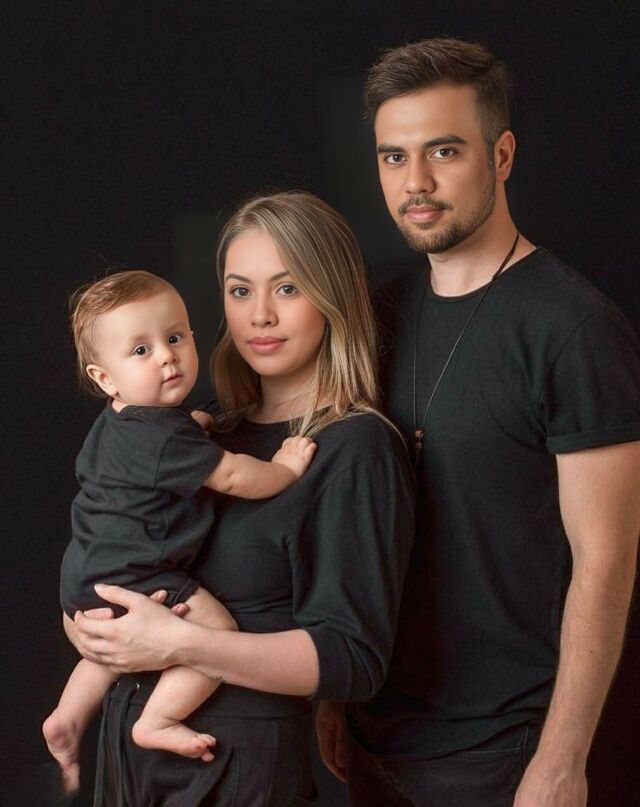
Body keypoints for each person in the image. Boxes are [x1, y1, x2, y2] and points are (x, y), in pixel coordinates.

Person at [315, 37, 640, 806]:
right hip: (376, 739)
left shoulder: (573, 327)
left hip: (506, 753)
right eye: (393, 157)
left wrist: (561, 760)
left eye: (444, 151)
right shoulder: (376, 315)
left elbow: (606, 560)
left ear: (501, 154)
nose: (416, 182)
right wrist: (334, 690)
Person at [67, 192, 415, 805]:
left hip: (237, 771)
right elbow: (117, 546)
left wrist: (180, 643)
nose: (260, 315)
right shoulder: (202, 433)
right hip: (130, 763)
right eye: (240, 290)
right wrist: (90, 629)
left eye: (287, 288)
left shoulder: (353, 448)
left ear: (331, 296)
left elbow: (353, 659)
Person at [43, 269, 317, 793]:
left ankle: (68, 715)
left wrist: (194, 427)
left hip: (85, 574)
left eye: (174, 337)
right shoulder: (168, 440)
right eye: (141, 350)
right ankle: (159, 720)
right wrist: (284, 468)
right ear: (105, 378)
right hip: (138, 572)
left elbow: (166, 445)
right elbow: (233, 476)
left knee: (107, 651)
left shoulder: (118, 424)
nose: (166, 357)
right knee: (216, 633)